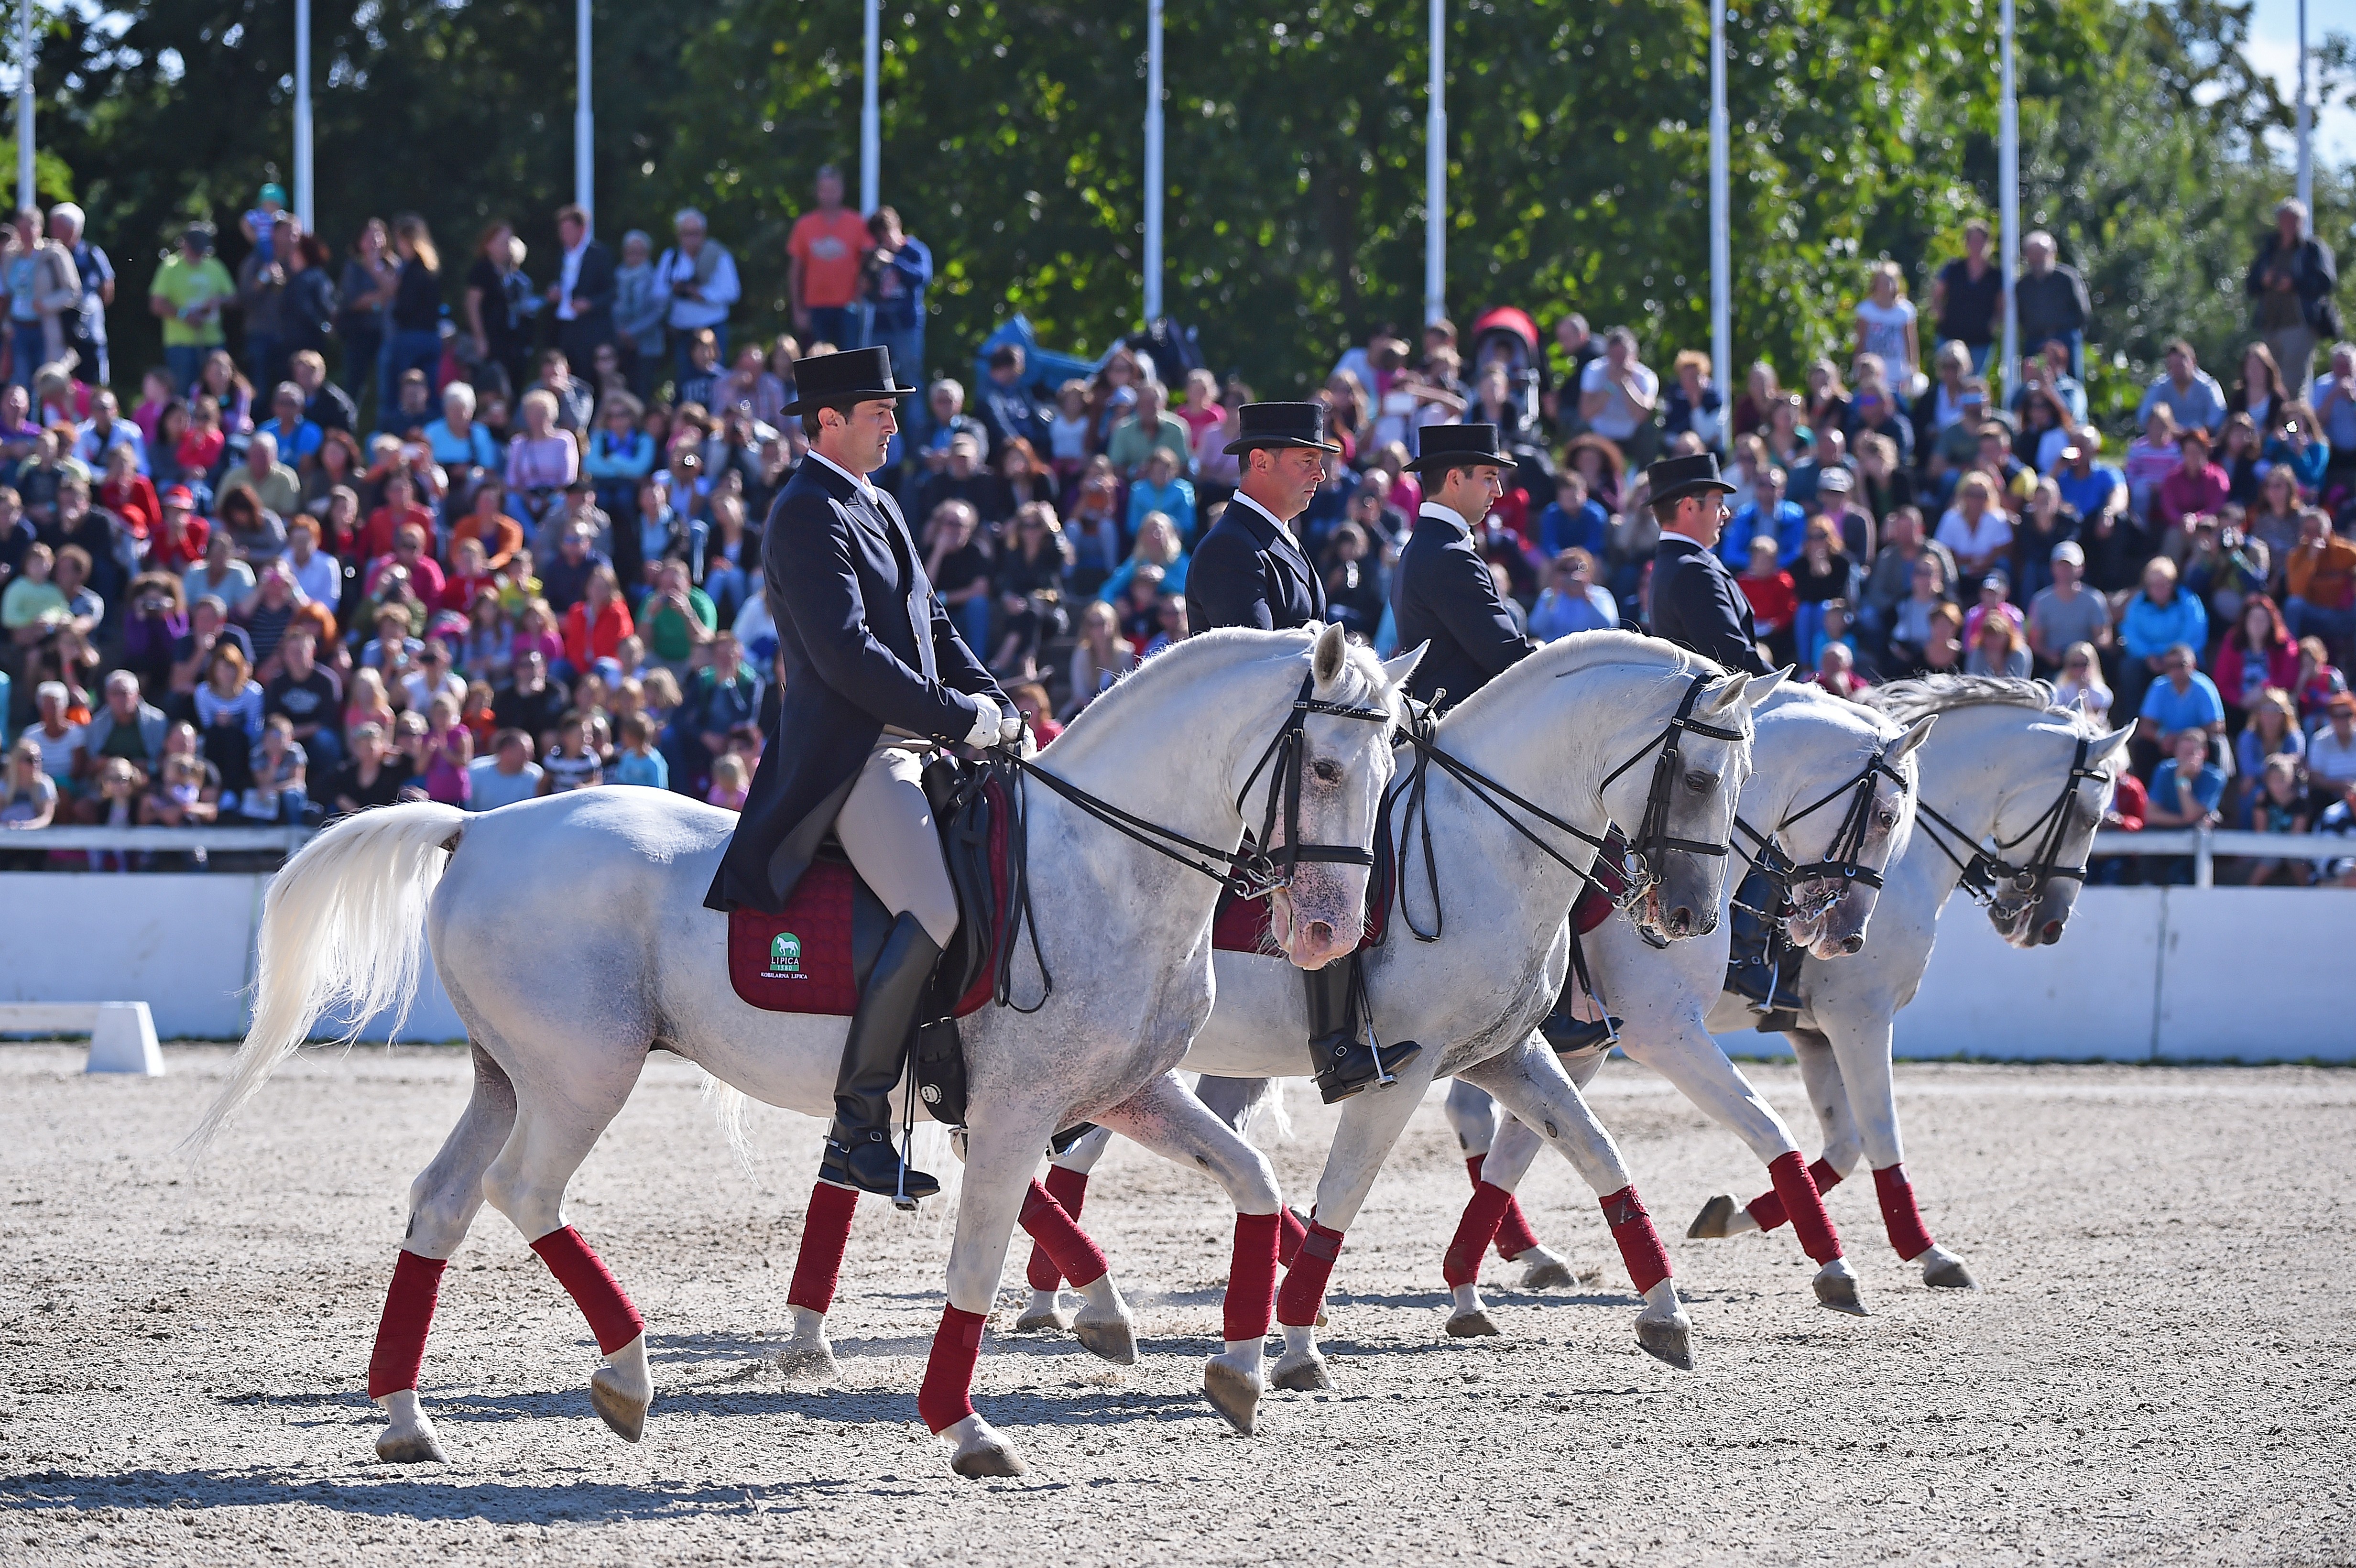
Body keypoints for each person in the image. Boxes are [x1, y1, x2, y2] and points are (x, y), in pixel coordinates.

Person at [703, 347, 1013, 1201]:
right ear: (829, 420)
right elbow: (847, 654)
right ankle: (859, 1125)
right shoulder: (805, 510)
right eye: (879, 412)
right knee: (934, 910)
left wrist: (994, 700)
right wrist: (957, 717)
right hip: (858, 755)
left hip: (922, 743)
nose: (893, 425)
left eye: (892, 411)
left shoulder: (878, 502)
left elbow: (935, 627)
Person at [1189, 398, 1412, 1103]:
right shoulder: (1232, 549)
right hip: (1248, 754)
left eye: (1321, 461)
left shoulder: (1283, 543)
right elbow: (1266, 669)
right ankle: (1333, 1040)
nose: (1320, 474)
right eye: (1307, 460)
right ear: (1259, 461)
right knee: (1329, 849)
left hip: (1288, 745)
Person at [2245, 198, 2339, 402]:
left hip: (2299, 325)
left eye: (2294, 220)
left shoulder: (2312, 250)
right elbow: (2250, 285)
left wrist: (2294, 283)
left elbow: (2326, 282)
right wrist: (2264, 280)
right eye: (2285, 219)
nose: (2289, 224)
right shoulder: (2269, 250)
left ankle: (2294, 422)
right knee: (2269, 385)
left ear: (2301, 222)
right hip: (2270, 325)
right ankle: (2275, 422)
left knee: (2291, 386)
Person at [656, 209, 740, 383]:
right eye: (686, 234)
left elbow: (732, 292)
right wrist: (675, 289)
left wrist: (702, 294)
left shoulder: (718, 255)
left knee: (716, 380)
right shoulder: (671, 257)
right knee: (685, 382)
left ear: (704, 233)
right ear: (679, 234)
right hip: (682, 332)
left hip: (713, 329)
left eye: (696, 233)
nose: (691, 239)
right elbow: (657, 293)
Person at [48, 203, 112, 388]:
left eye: (57, 226)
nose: (52, 231)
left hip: (89, 329)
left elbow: (107, 288)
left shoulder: (92, 254)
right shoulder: (48, 255)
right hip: (58, 329)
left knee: (93, 379)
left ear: (73, 229)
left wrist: (89, 308)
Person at [545, 204, 615, 372]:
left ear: (582, 229)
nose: (564, 236)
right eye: (562, 231)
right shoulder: (561, 255)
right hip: (564, 328)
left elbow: (612, 292)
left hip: (589, 330)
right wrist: (554, 292)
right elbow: (560, 283)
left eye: (568, 230)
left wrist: (590, 304)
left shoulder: (599, 255)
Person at [2014, 232, 2092, 380]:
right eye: (2033, 254)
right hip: (2036, 340)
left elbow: (2083, 312)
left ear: (2052, 253)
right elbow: (2021, 316)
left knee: (2072, 380)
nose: (2037, 258)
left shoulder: (2067, 278)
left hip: (2065, 337)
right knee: (2033, 381)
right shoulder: (2023, 285)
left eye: (2041, 253)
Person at [2137, 339, 2229, 437]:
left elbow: (2218, 414)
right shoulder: (2159, 387)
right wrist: (2171, 430)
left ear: (2193, 362)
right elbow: (2144, 416)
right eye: (2172, 366)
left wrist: (2198, 433)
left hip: (2202, 440)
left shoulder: (2209, 386)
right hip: (2168, 440)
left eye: (2180, 366)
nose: (2177, 370)